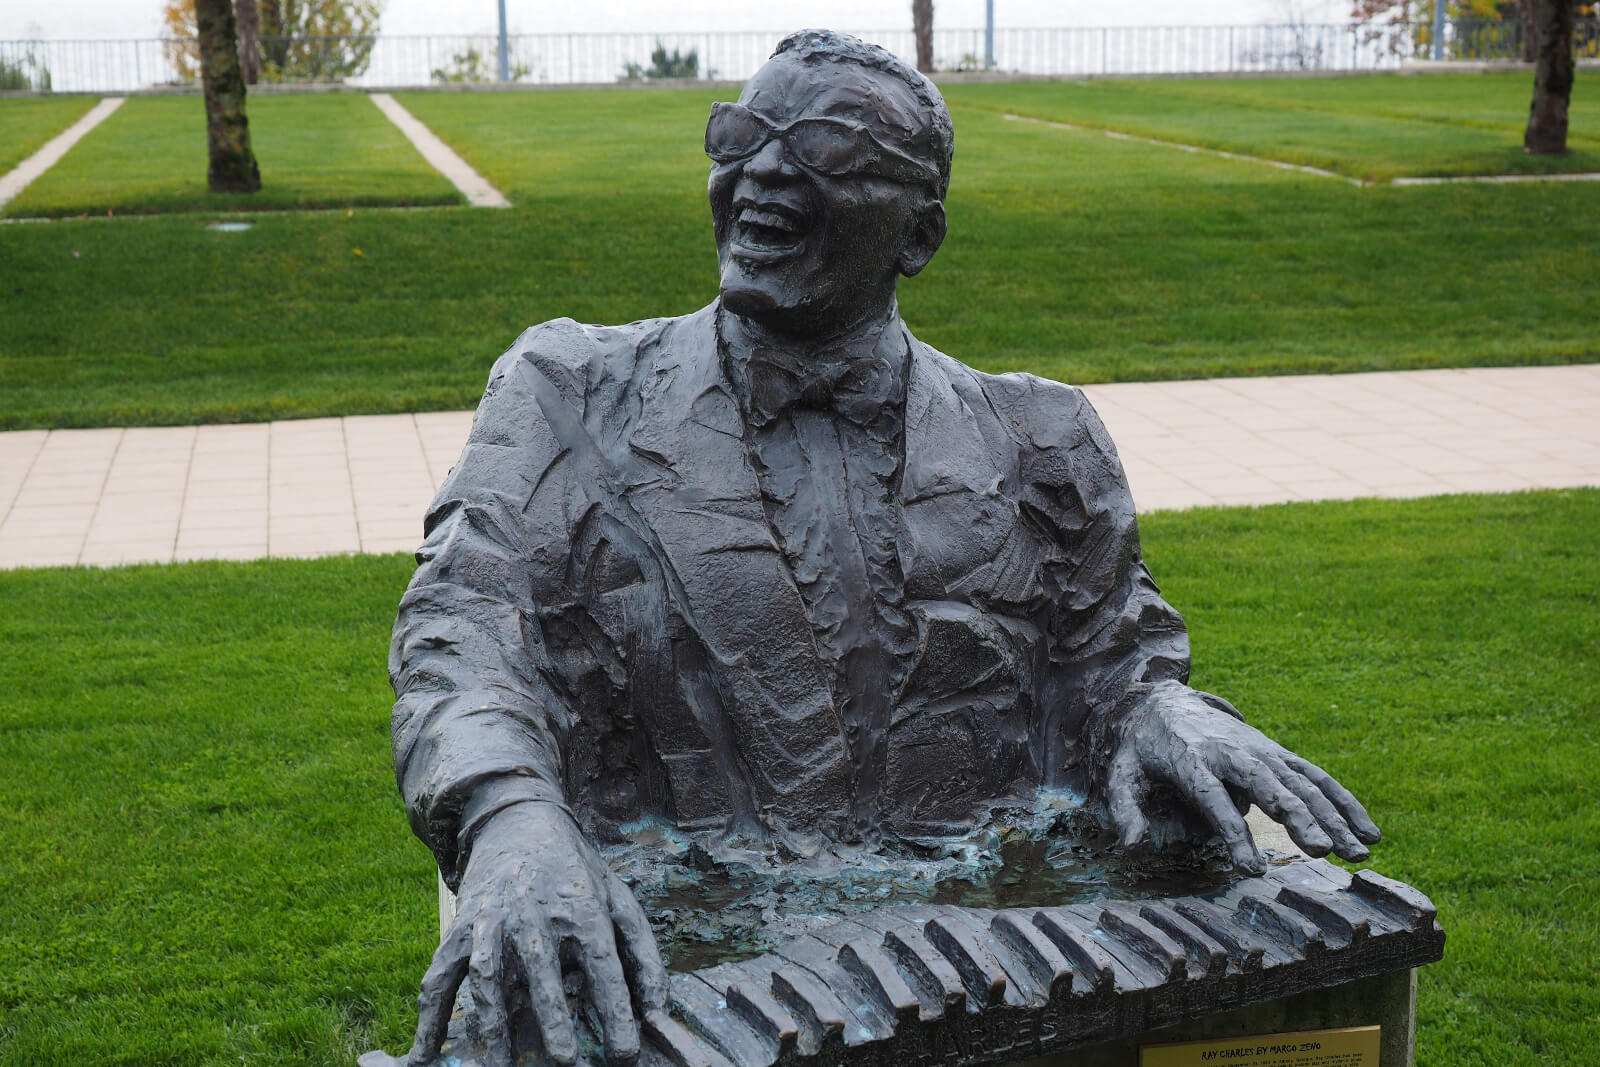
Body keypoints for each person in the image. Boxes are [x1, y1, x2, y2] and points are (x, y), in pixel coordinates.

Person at [384, 30, 1380, 1067]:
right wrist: (506, 814)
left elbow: (1110, 661)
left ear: (920, 233)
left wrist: (1161, 707)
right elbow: (462, 628)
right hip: (701, 953)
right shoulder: (569, 390)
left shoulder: (1041, 435)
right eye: (745, 135)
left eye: (827, 152)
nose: (764, 174)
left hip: (996, 956)